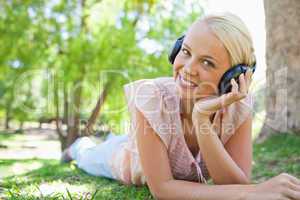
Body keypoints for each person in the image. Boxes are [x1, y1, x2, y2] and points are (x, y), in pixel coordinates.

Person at [61, 12, 300, 200]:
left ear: (233, 78)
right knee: (89, 156)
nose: (187, 68)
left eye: (207, 62)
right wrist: (254, 192)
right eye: (186, 51)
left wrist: (201, 119)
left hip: (143, 140)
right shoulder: (152, 96)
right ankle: (79, 146)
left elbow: (234, 186)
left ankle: (113, 139)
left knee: (120, 139)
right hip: (124, 159)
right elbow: (163, 189)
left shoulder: (238, 106)